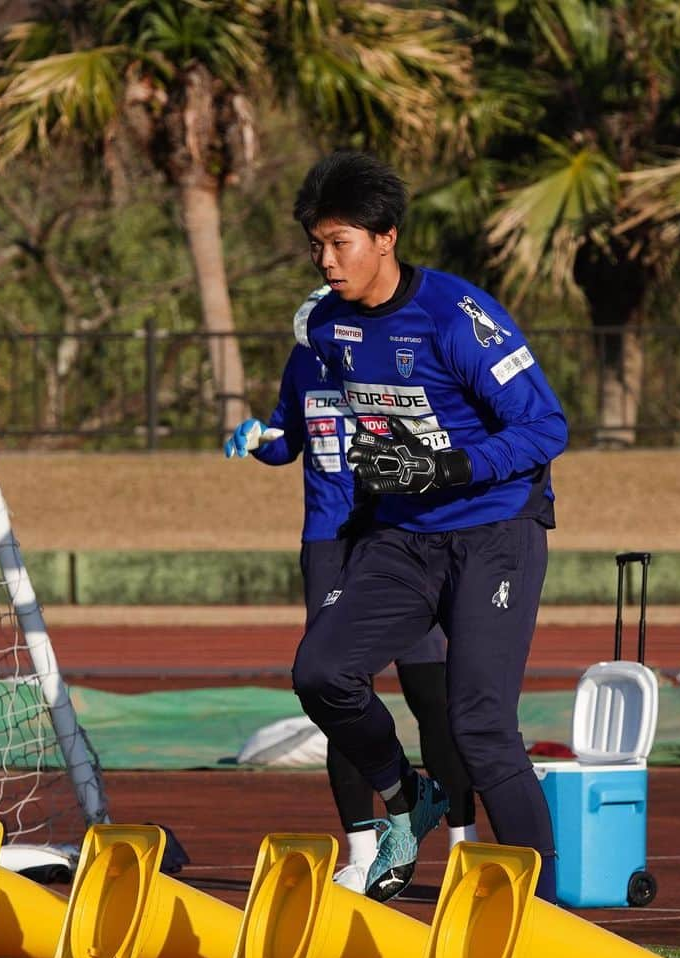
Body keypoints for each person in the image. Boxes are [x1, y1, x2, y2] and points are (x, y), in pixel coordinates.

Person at [290, 150, 569, 903]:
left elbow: (547, 428)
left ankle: (538, 917)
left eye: (339, 241)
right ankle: (406, 797)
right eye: (316, 243)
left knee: (480, 725)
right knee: (320, 673)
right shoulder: (325, 325)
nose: (325, 259)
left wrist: (453, 467)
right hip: (402, 540)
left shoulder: (458, 317)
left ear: (386, 237)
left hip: (495, 536)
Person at [223, 287, 477, 893]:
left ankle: (463, 847)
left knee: (431, 694)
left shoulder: (389, 359)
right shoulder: (303, 361)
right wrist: (261, 439)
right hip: (328, 545)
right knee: (336, 692)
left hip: (394, 539)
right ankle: (363, 850)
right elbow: (290, 438)